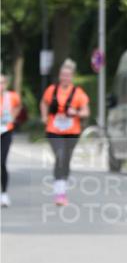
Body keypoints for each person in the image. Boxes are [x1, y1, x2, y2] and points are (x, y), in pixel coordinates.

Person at [39, 59, 90, 206]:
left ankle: (62, 187)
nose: (65, 78)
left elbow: (86, 111)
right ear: (60, 76)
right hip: (53, 130)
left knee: (66, 160)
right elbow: (44, 102)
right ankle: (59, 193)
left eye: (68, 75)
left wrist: (76, 112)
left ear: (72, 76)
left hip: (72, 131)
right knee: (60, 156)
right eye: (63, 75)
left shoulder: (78, 93)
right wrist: (44, 116)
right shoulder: (52, 90)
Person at [1, 73, 22, 207]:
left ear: (6, 84)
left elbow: (18, 106)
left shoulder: (12, 96)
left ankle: (4, 193)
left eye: (2, 82)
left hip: (6, 131)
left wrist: (13, 116)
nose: (0, 85)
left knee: (2, 161)